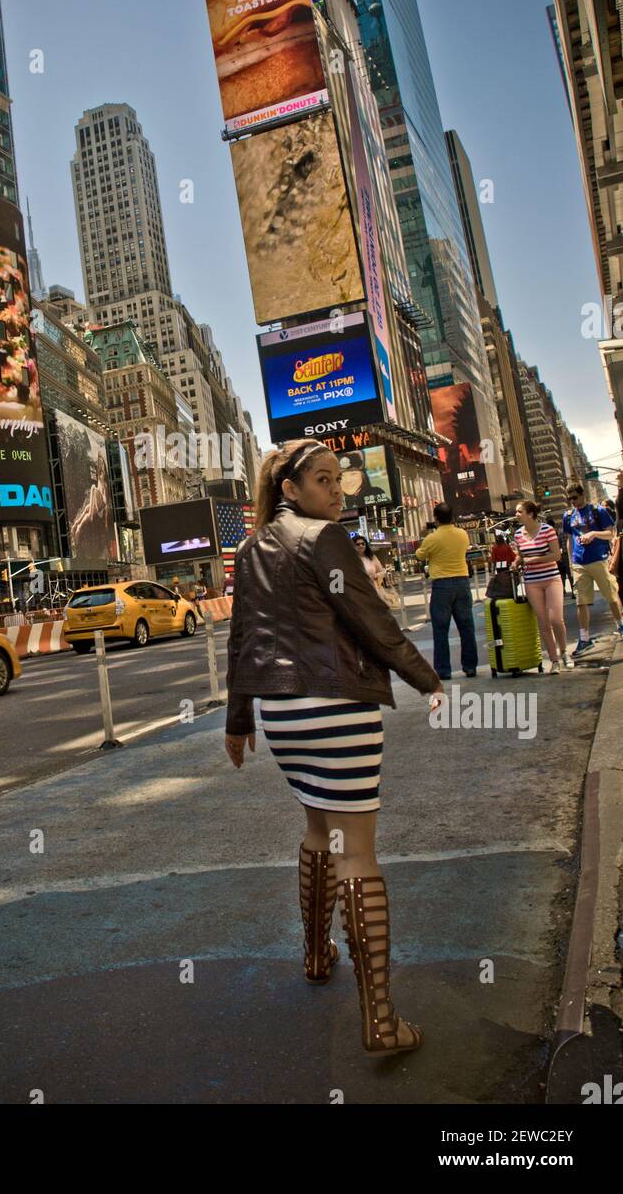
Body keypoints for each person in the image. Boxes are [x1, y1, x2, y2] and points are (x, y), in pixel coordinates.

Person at [225, 440, 442, 1055]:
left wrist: (239, 720)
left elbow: (241, 638)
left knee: (321, 832)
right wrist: (427, 678)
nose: (336, 491)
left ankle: (317, 958)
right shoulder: (322, 540)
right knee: (359, 855)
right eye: (323, 481)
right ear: (291, 489)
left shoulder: (250, 548)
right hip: (336, 705)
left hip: (282, 714)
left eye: (338, 481)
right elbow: (371, 620)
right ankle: (381, 1022)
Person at [415, 502, 479, 682]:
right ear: (452, 517)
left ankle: (444, 670)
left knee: (441, 630)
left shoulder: (432, 538)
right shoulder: (462, 534)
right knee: (466, 627)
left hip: (441, 585)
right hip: (462, 582)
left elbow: (420, 555)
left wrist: (423, 545)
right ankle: (470, 666)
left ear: (435, 518)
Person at [561, 481, 623, 656]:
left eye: (575, 497)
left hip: (599, 559)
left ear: (583, 495)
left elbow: (611, 533)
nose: (573, 501)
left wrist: (594, 534)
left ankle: (620, 625)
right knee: (581, 601)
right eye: (570, 498)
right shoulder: (568, 516)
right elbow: (569, 538)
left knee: (611, 595)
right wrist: (572, 560)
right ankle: (584, 638)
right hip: (579, 563)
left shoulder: (598, 511)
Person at [511, 501, 569, 672]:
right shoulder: (518, 534)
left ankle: (564, 652)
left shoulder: (547, 530)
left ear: (530, 513)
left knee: (555, 619)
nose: (516, 514)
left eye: (519, 511)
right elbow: (521, 556)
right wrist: (516, 562)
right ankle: (554, 661)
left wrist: (534, 559)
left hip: (551, 578)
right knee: (543, 623)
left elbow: (557, 555)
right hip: (531, 581)